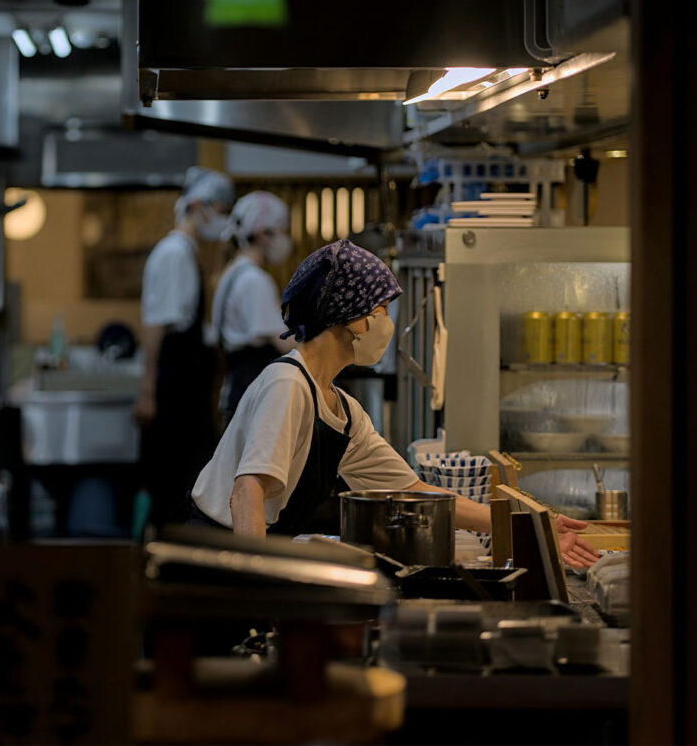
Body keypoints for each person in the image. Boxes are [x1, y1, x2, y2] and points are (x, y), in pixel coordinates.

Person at [189, 239, 600, 569]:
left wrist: (530, 524)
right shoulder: (287, 384)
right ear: (352, 318)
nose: (386, 324)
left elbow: (417, 491)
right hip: (218, 565)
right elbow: (247, 493)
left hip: (250, 560)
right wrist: (252, 590)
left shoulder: (342, 411)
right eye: (382, 310)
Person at [134, 166, 235, 527]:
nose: (223, 219)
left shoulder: (189, 252)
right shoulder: (174, 253)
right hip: (174, 390)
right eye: (221, 209)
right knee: (174, 486)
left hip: (187, 389)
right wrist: (148, 391)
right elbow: (155, 325)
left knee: (186, 483)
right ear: (198, 205)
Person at [213, 190, 296, 430]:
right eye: (283, 231)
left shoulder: (234, 271)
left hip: (240, 392)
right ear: (263, 233)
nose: (286, 239)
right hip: (249, 396)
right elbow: (284, 343)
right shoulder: (253, 280)